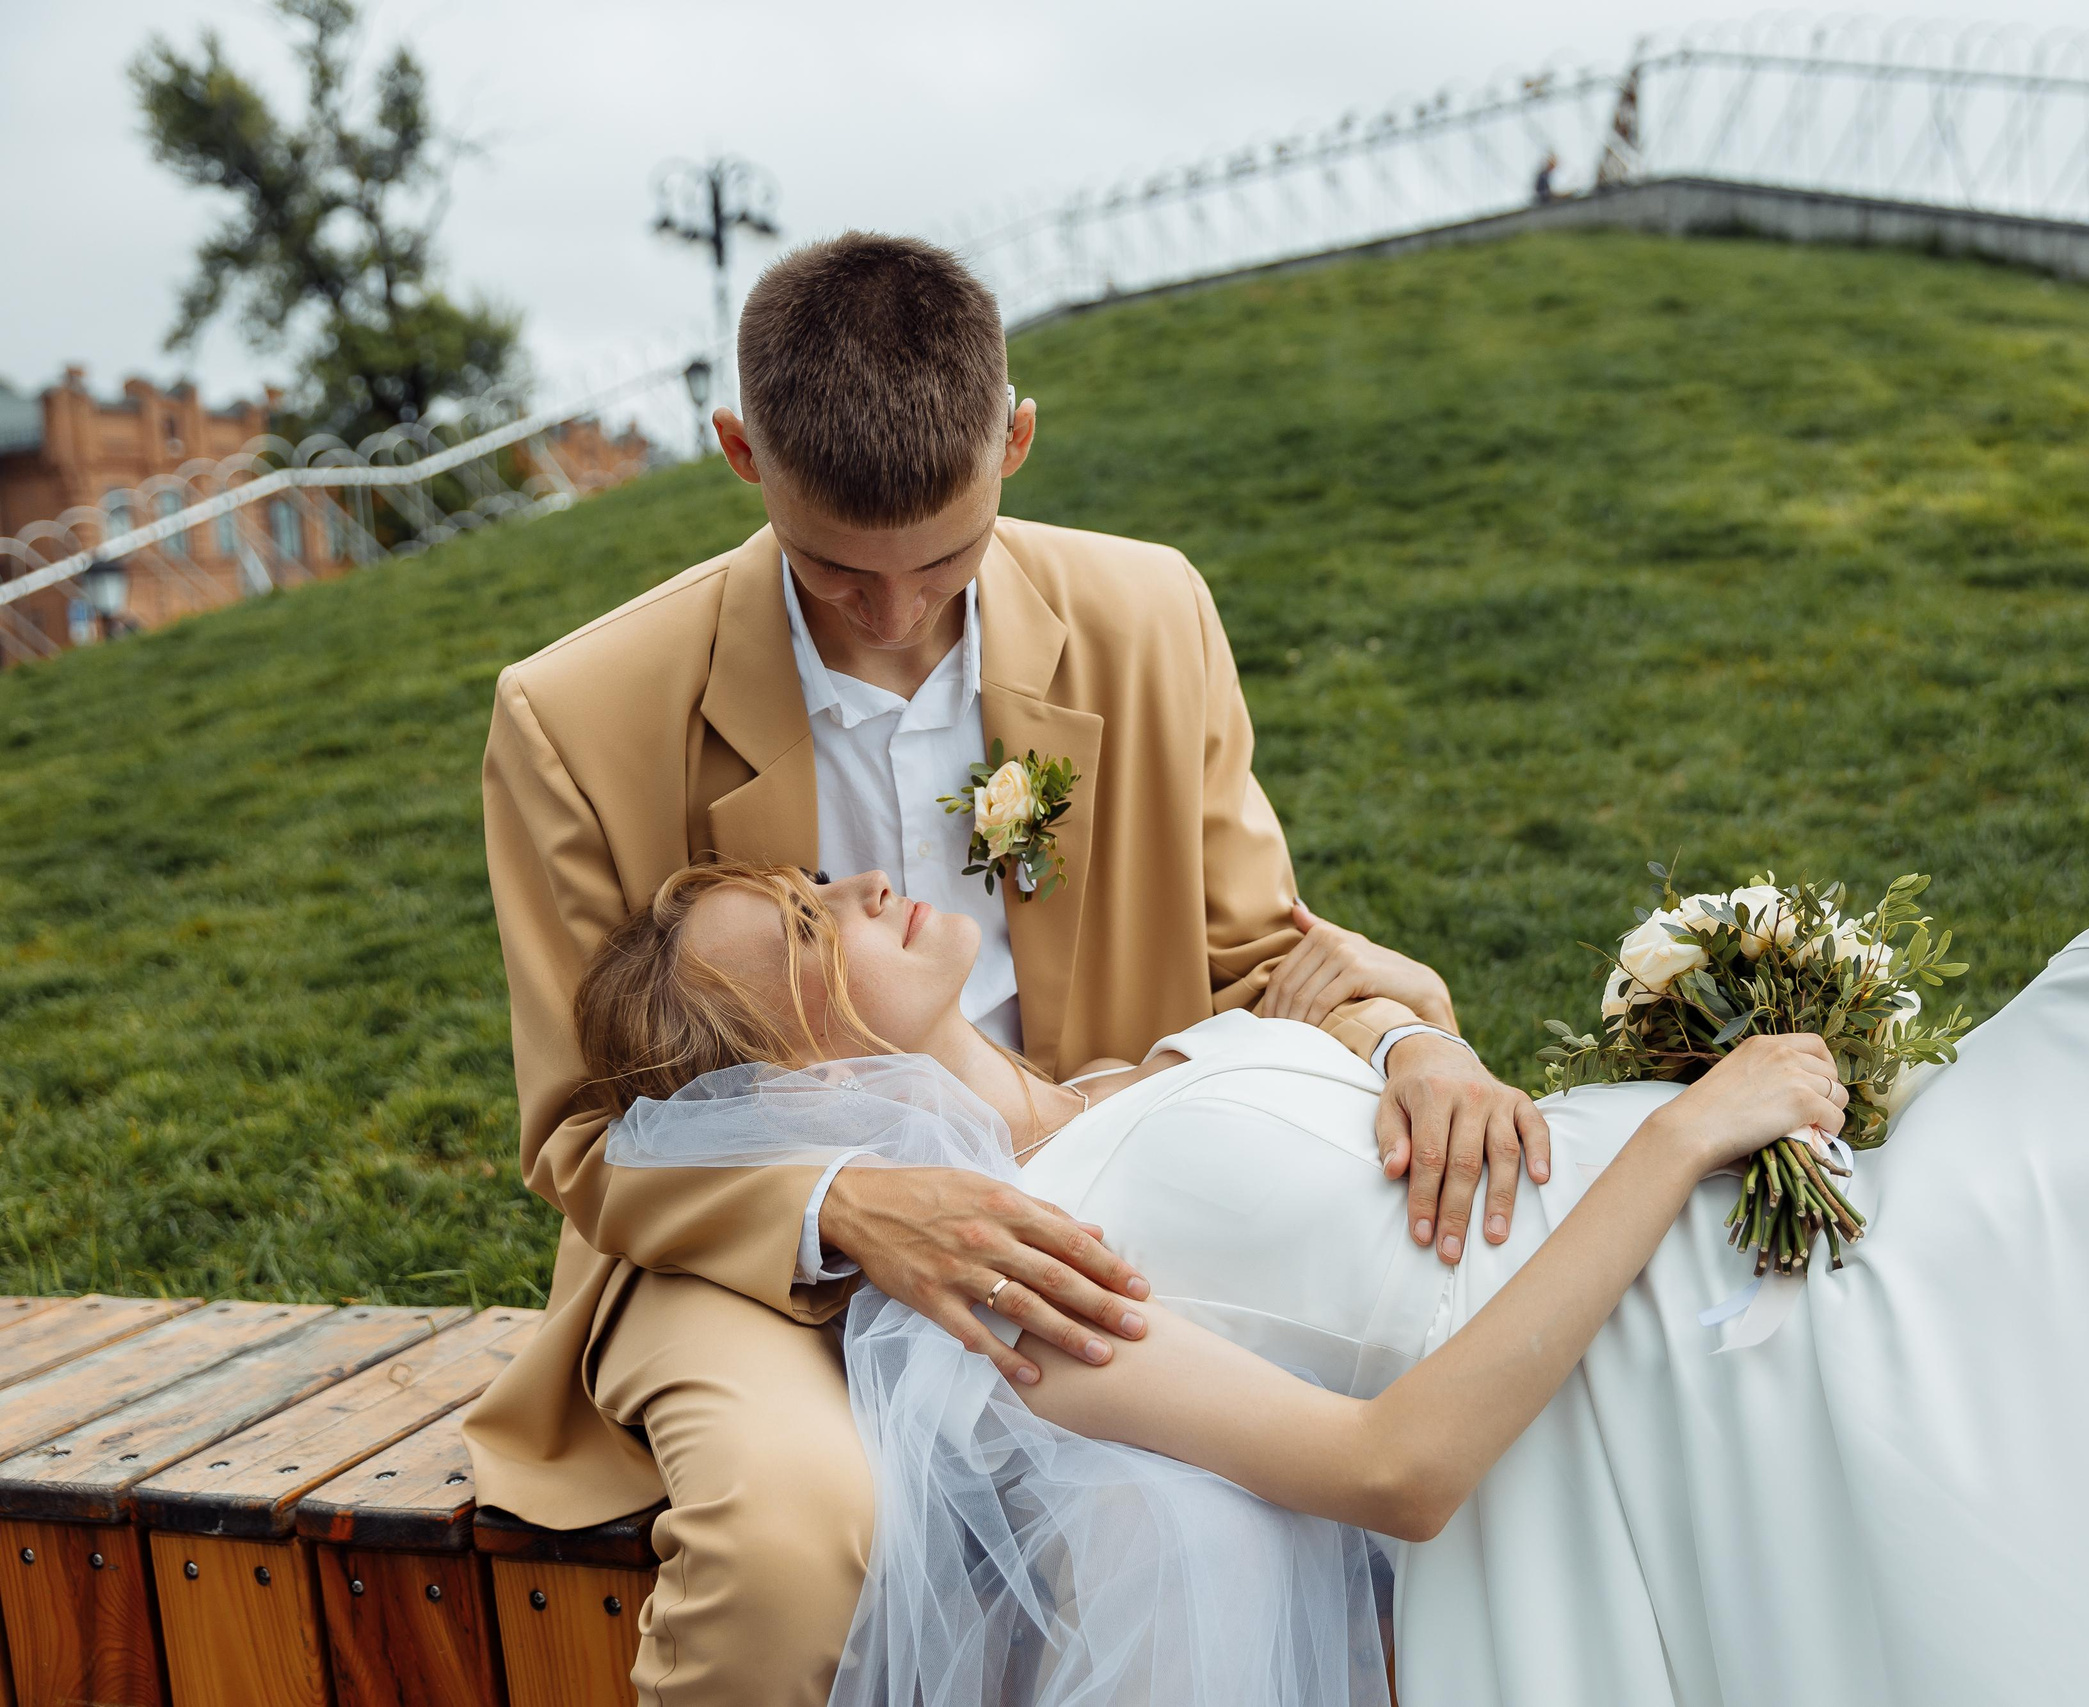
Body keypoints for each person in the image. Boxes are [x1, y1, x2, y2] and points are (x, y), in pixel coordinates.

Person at [589, 733, 2089, 1705]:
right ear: (798, 1068)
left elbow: (1353, 1014)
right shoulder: (1015, 1275)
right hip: (1725, 1393)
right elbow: (1397, 1461)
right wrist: (1688, 1128)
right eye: (805, 932)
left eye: (819, 873)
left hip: (1774, 1218)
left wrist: (1421, 1046)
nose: (856, 884)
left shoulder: (1136, 1071)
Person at [463, 232, 1542, 1706]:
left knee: (1229, 1529)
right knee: (792, 1539)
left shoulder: (1149, 613)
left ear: (1015, 437)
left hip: (1098, 1192)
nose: (896, 612)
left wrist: (1414, 1042)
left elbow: (1257, 953)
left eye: (946, 560)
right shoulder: (571, 713)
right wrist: (848, 1204)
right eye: (838, 570)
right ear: (737, 453)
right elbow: (582, 1135)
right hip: (749, 1251)